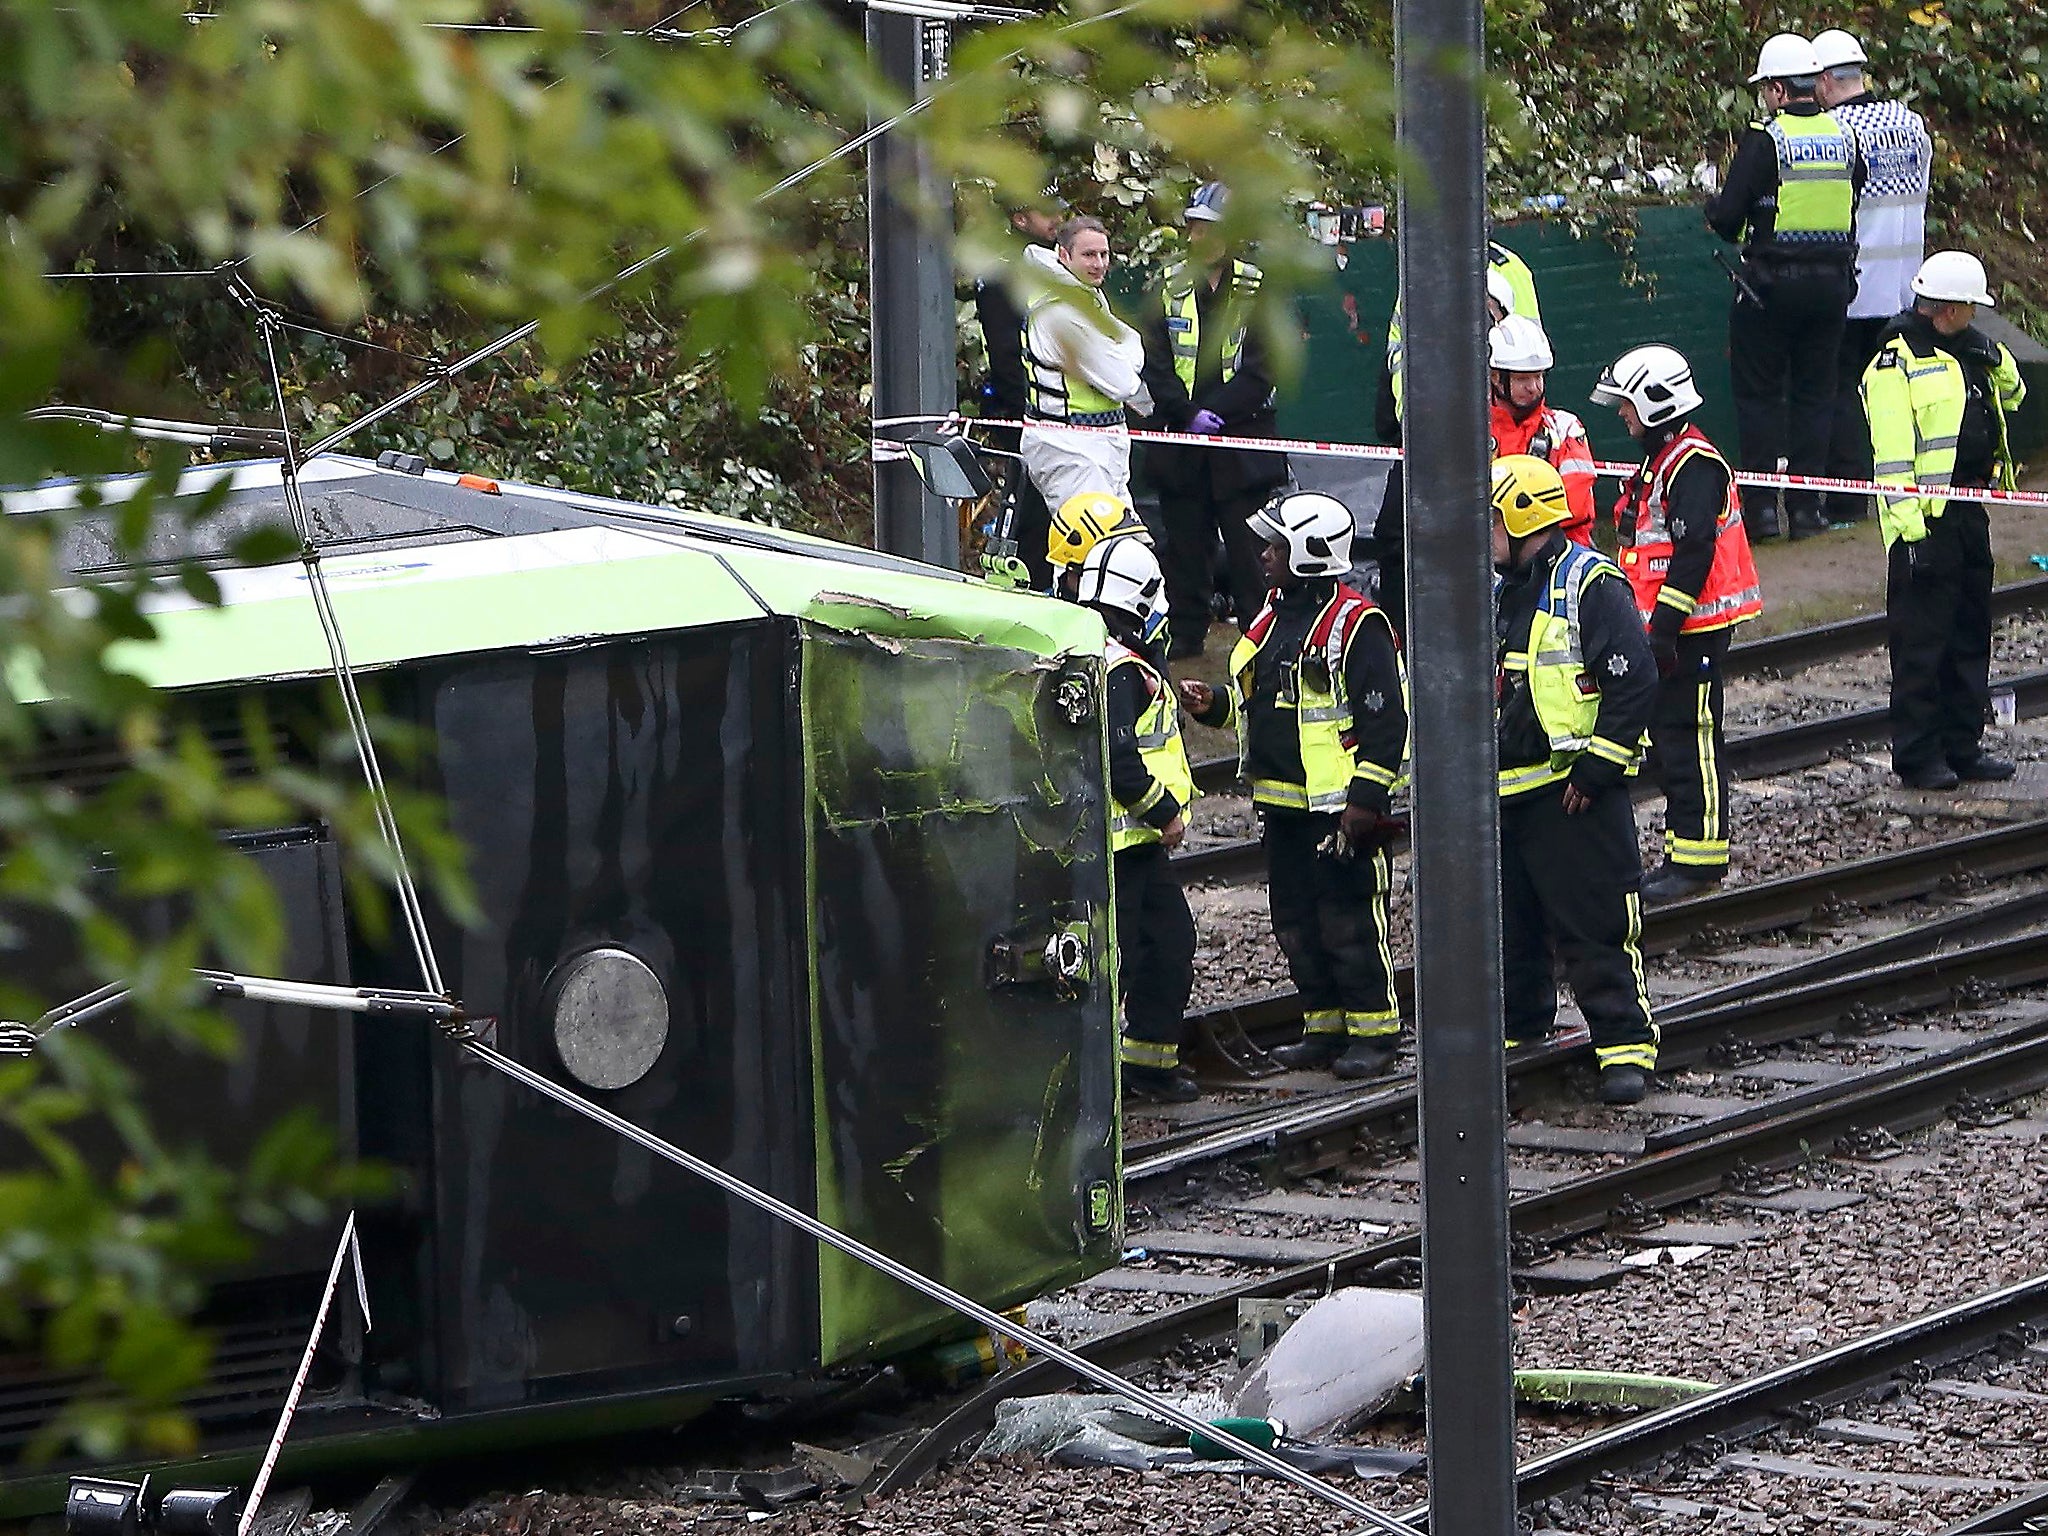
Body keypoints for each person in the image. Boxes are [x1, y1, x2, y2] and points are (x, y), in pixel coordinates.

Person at [1177, 491, 1409, 1079]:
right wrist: (1215, 707)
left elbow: (1388, 723)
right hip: (1282, 803)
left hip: (1336, 811)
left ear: (1308, 552)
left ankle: (1375, 1033)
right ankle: (1324, 1027)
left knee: (1349, 921)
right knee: (1297, 922)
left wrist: (1366, 800)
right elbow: (1263, 702)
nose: (1262, 556)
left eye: (1276, 546)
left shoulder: (1358, 626)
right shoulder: (1272, 615)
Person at [1490, 456, 1660, 1105]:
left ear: (1520, 517)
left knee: (1596, 924)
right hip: (1507, 794)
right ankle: (1519, 1033)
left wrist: (1597, 768)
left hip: (1571, 793)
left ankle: (1624, 1046)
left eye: (1493, 520)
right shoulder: (1499, 585)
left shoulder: (1589, 583)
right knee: (1513, 931)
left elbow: (1635, 681)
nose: (1486, 533)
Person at [1591, 346, 1765, 903]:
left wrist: (1664, 627)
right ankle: (1683, 852)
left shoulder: (1692, 465)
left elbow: (1693, 552)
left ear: (1653, 402)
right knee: (1670, 739)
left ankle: (1699, 858)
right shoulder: (1664, 458)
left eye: (1626, 405)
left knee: (1691, 739)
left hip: (1692, 629)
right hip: (1670, 627)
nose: (1621, 415)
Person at [1862, 250, 2028, 790]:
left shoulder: (1969, 353)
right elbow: (1892, 459)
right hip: (1925, 526)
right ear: (1949, 308)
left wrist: (1995, 356)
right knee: (1921, 647)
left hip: (1966, 514)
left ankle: (1963, 745)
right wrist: (1910, 534)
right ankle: (1918, 756)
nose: (1976, 317)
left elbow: (2016, 395)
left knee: (1968, 635)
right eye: (1971, 309)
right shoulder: (1894, 364)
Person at [1706, 32, 1865, 543]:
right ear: (1812, 85)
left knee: (1759, 396)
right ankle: (1805, 510)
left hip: (1770, 289)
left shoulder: (1765, 140)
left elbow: (1729, 218)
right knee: (1816, 394)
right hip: (1831, 289)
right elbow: (1849, 200)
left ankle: (1761, 512)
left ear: (1777, 89)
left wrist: (1718, 211)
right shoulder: (1845, 138)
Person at [1071, 535, 1201, 1102]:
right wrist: (1166, 813)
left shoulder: (1089, 652)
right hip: (1128, 845)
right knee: (1131, 958)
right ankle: (1111, 1075)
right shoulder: (1123, 668)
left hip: (1124, 845)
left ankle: (1147, 1063)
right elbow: (1119, 760)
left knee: (1161, 945)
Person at [1139, 182, 1289, 660]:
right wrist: (1187, 416)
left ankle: (1257, 635)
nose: (1205, 238)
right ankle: (1186, 640)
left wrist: (1218, 412)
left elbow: (1263, 369)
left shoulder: (1260, 286)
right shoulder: (1166, 286)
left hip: (1242, 441)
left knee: (1250, 553)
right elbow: (1155, 363)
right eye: (1198, 228)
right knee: (1184, 548)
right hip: (1183, 442)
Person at [1814, 28, 1934, 526]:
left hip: (1855, 287)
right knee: (1900, 393)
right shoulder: (1911, 124)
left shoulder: (1836, 131)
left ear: (1823, 79)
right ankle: (1910, 490)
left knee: (1843, 391)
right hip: (1907, 287)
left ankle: (1846, 501)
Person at [1374, 259, 1530, 640]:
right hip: (1421, 448)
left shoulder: (1506, 356)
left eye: (1485, 311)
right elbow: (1395, 387)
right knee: (1395, 540)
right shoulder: (1425, 335)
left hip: (1484, 454)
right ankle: (1403, 637)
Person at [1019, 216, 1155, 515]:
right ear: (1063, 255)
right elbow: (1124, 383)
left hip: (1101, 444)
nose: (1098, 263)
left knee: (1125, 549)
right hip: (1071, 448)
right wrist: (1125, 353)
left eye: (1104, 254)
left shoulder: (1083, 295)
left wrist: (1123, 350)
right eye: (1088, 255)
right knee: (1089, 551)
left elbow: (1128, 339)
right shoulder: (1061, 312)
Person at [973, 196, 1067, 589]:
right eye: (1048, 213)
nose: (1058, 219)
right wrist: (1028, 408)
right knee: (1028, 500)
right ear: (1020, 217)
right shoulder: (1002, 271)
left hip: (1061, 407)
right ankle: (1029, 579)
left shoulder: (1056, 264)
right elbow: (1006, 351)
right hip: (1023, 407)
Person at [1488, 314, 1598, 545]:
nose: (1534, 387)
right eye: (1523, 379)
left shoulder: (1565, 428)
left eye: (1539, 376)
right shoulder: (1472, 431)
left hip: (1560, 555)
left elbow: (1575, 505)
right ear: (1496, 378)